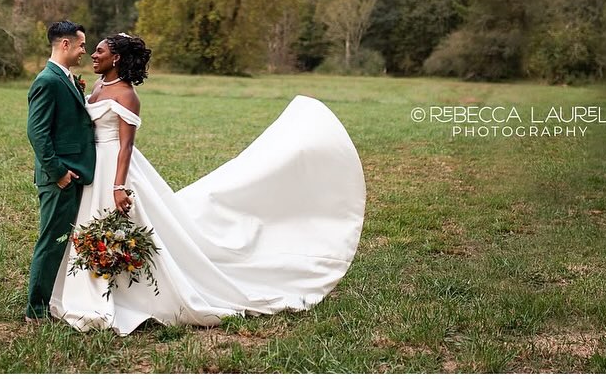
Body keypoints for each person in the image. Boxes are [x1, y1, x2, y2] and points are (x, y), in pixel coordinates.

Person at [49, 33, 366, 335]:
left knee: (123, 228)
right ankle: (89, 288)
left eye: (100, 51)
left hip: (115, 167)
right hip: (94, 166)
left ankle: (129, 296)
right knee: (91, 224)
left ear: (116, 58)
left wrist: (119, 187)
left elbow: (126, 146)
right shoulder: (98, 85)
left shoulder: (127, 96)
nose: (93, 55)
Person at [25, 20, 96, 322]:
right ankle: (36, 309)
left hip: (74, 173)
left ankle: (57, 298)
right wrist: (59, 173)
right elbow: (37, 133)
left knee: (62, 241)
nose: (84, 51)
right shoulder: (47, 81)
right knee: (51, 241)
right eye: (81, 45)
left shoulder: (65, 78)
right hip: (59, 179)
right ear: (65, 44)